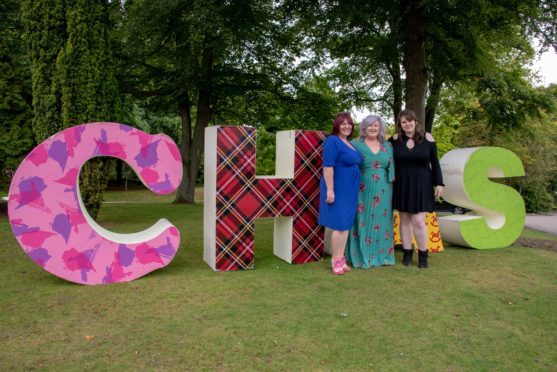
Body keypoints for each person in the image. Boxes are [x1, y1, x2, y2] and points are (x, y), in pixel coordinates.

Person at [388, 109, 444, 268]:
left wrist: (439, 183)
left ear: (415, 121)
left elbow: (435, 163)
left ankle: (423, 255)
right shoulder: (394, 140)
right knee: (404, 220)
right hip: (402, 184)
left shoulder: (428, 138)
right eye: (403, 122)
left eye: (410, 121)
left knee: (419, 221)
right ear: (400, 124)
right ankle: (407, 254)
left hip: (422, 185)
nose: (407, 124)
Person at [346, 115, 395, 268]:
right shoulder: (354, 144)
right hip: (362, 188)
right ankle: (362, 255)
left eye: (376, 125)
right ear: (364, 128)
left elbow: (392, 166)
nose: (373, 128)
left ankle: (382, 256)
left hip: (384, 189)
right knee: (362, 219)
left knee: (382, 221)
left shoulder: (387, 145)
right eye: (369, 125)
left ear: (380, 128)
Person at [318, 112, 363, 275]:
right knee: (340, 225)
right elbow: (328, 166)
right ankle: (335, 260)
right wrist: (330, 189)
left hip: (350, 190)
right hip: (338, 187)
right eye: (343, 123)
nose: (346, 126)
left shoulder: (349, 142)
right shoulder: (332, 141)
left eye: (349, 124)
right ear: (337, 125)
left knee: (346, 226)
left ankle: (341, 258)